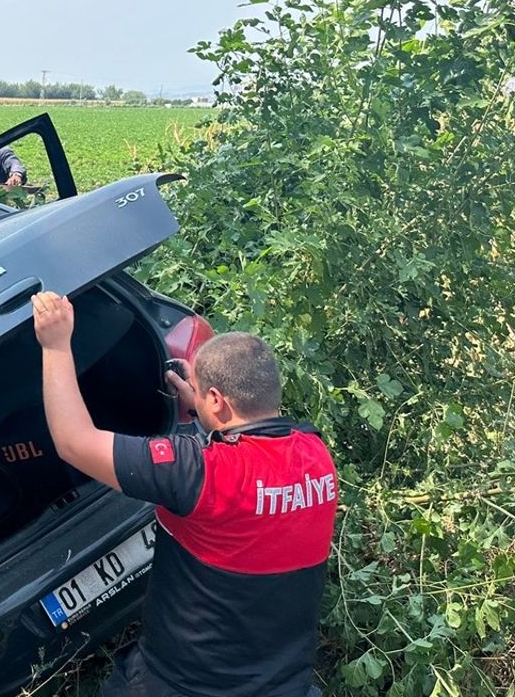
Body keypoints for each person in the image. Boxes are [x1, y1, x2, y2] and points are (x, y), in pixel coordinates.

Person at [30, 293, 336, 697]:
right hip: (282, 684)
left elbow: (73, 443)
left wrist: (55, 344)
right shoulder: (316, 456)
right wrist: (208, 416)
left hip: (181, 684)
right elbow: (254, 459)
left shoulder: (202, 473)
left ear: (216, 400)